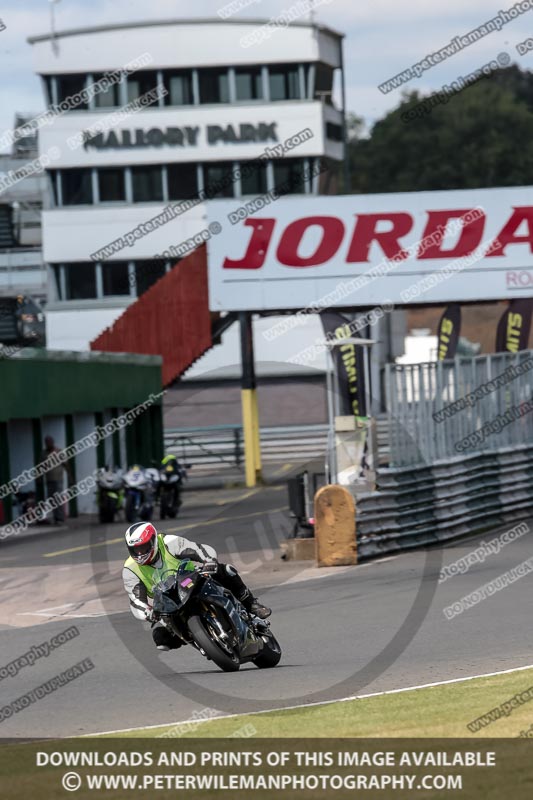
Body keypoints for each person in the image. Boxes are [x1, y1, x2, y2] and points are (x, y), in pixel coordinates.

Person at [122, 522, 271, 651]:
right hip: (168, 602)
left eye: (143, 547)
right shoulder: (130, 569)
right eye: (136, 550)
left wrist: (209, 561)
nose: (140, 553)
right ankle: (199, 641)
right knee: (161, 638)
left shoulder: (168, 542)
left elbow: (199, 549)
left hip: (189, 581)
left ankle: (251, 604)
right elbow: (135, 599)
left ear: (153, 540)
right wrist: (147, 612)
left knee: (225, 570)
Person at [40, 435, 72, 524]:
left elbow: (66, 465)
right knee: (52, 499)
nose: (48, 444)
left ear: (52, 442)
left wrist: (70, 476)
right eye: (46, 442)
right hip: (49, 479)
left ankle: (60, 518)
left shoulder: (59, 452)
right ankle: (56, 517)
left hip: (58, 479)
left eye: (49, 442)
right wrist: (39, 478)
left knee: (58, 499)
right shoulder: (44, 453)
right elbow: (41, 467)